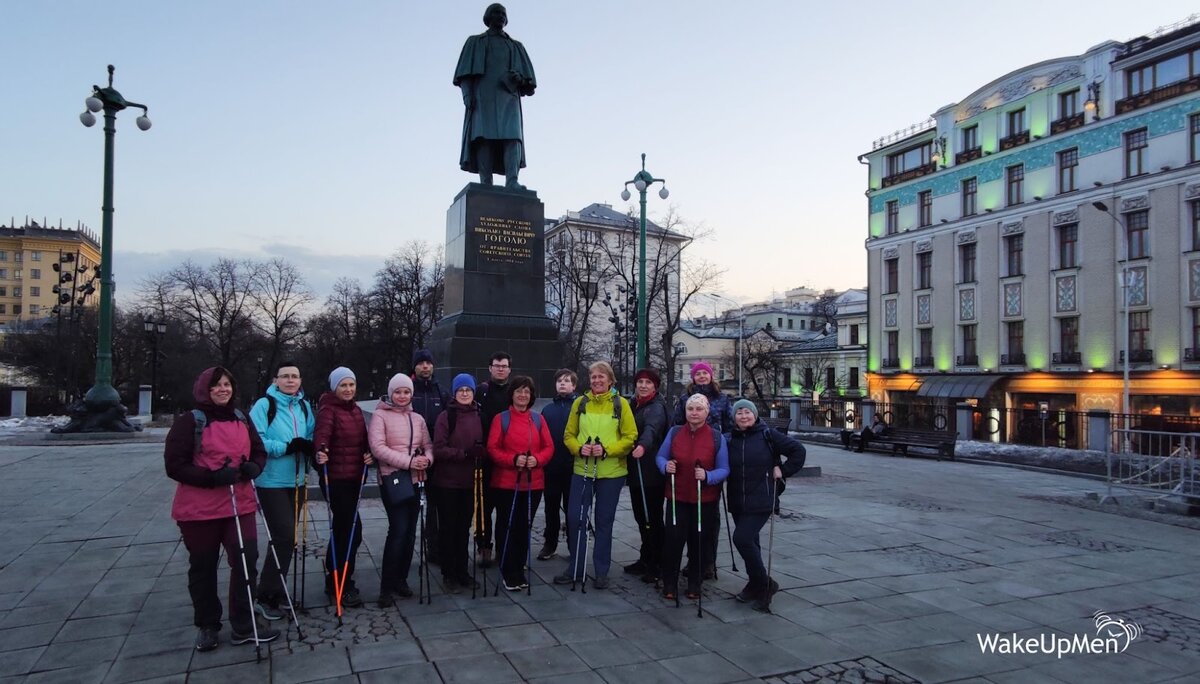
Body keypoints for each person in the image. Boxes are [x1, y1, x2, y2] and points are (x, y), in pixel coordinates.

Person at [165, 366, 278, 652]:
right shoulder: (190, 422)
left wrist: (255, 466)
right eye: (216, 385)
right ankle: (207, 624)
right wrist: (211, 478)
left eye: (227, 384)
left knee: (246, 560)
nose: (223, 389)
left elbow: (258, 450)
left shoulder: (241, 418)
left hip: (239, 504)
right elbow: (175, 465)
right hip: (200, 509)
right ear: (205, 389)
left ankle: (243, 621)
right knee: (203, 567)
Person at [554, 362, 637, 589]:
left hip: (611, 472)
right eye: (593, 377)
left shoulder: (621, 404)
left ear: (610, 380)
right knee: (575, 518)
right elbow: (569, 434)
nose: (597, 381)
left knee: (603, 522)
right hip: (582, 469)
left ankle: (602, 571)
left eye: (601, 377)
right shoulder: (580, 403)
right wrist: (579, 448)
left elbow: (630, 437)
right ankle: (576, 567)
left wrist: (607, 449)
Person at [248, 360, 315, 621]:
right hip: (272, 481)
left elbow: (309, 434)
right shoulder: (265, 405)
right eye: (285, 376)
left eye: (294, 376)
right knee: (284, 536)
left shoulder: (304, 405)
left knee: (287, 539)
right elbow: (256, 439)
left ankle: (276, 590)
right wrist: (286, 447)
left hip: (297, 479)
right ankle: (265, 594)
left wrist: (309, 447)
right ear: (276, 380)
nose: (290, 380)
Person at [727, 399, 806, 612]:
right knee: (752, 543)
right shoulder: (730, 439)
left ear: (754, 414)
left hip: (762, 498)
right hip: (737, 500)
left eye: (747, 412)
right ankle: (755, 584)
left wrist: (784, 470)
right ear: (734, 417)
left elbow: (798, 451)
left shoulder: (768, 435)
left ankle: (765, 583)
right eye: (739, 413)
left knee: (741, 538)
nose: (744, 416)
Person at [453, 3, 537, 190]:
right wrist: (467, 95)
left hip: (509, 99)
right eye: (496, 13)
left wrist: (520, 78)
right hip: (483, 97)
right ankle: (486, 182)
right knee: (484, 138)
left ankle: (512, 181)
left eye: (503, 14)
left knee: (513, 138)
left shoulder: (516, 46)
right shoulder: (475, 42)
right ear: (488, 17)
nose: (500, 16)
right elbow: (465, 73)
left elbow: (529, 84)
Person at [368, 373, 434, 606]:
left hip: (416, 479)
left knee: (409, 533)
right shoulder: (380, 416)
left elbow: (427, 445)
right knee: (397, 530)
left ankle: (401, 580)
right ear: (391, 393)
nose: (402, 396)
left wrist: (427, 459)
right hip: (393, 478)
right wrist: (408, 462)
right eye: (398, 392)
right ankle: (386, 586)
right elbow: (378, 448)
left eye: (406, 392)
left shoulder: (417, 418)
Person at [656, 393, 729, 602]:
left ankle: (695, 583)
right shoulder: (675, 432)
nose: (694, 413)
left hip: (703, 500)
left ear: (707, 412)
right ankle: (669, 582)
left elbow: (724, 469)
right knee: (673, 541)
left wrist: (708, 476)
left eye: (699, 409)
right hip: (677, 496)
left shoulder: (716, 436)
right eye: (690, 409)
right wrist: (665, 466)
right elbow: (661, 456)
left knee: (699, 543)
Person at [313, 367, 374, 609]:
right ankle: (341, 581)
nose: (348, 389)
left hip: (353, 478)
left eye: (351, 385)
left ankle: (336, 577)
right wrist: (321, 451)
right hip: (336, 479)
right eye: (343, 385)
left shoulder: (357, 411)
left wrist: (369, 455)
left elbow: (363, 442)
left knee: (345, 530)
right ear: (334, 387)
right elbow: (322, 436)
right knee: (350, 531)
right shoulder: (328, 410)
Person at [487, 375, 552, 590]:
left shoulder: (538, 419)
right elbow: (493, 449)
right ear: (512, 394)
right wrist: (513, 460)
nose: (523, 395)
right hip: (507, 482)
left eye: (527, 391)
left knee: (525, 526)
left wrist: (538, 459)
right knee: (508, 525)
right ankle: (507, 568)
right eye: (519, 391)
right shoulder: (501, 419)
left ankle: (519, 565)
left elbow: (548, 447)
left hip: (533, 482)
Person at [671, 361, 732, 579]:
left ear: (711, 375)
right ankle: (692, 559)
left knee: (710, 515)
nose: (702, 376)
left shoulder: (722, 399)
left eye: (705, 373)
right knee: (687, 512)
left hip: (713, 458)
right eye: (698, 374)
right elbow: (677, 425)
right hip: (688, 458)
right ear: (693, 377)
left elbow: (730, 426)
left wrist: (718, 443)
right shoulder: (685, 399)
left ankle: (708, 561)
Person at [432, 373, 487, 592]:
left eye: (468, 390)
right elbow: (439, 448)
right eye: (461, 390)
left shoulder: (480, 414)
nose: (465, 393)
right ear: (455, 393)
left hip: (470, 481)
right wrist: (464, 453)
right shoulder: (446, 416)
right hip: (447, 482)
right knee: (448, 529)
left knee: (464, 529)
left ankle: (462, 571)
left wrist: (482, 453)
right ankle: (449, 573)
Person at [623, 368, 669, 583]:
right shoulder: (634, 405)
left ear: (655, 386)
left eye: (648, 382)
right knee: (642, 518)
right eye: (640, 381)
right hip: (636, 469)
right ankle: (646, 556)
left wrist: (642, 446)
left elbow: (652, 429)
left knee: (653, 519)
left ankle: (657, 563)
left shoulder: (656, 407)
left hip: (651, 471)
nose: (643, 385)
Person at [474, 351, 512, 567]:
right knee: (484, 507)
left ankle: (503, 546)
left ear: (509, 369)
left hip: (507, 458)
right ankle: (484, 546)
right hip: (485, 458)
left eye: (504, 366)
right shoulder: (482, 391)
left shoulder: (514, 391)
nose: (500, 369)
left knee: (505, 507)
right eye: (496, 365)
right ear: (490, 368)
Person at [536, 368, 578, 560]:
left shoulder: (579, 406)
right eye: (560, 380)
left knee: (572, 508)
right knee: (551, 508)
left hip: (572, 467)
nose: (563, 383)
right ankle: (549, 543)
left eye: (567, 381)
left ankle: (573, 544)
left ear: (574, 385)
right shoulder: (547, 410)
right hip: (551, 467)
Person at [411, 349, 447, 565]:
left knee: (435, 506)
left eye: (428, 363)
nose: (425, 366)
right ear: (415, 367)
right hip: (410, 459)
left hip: (435, 458)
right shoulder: (406, 391)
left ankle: (434, 547)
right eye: (421, 363)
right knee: (410, 508)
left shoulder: (441, 392)